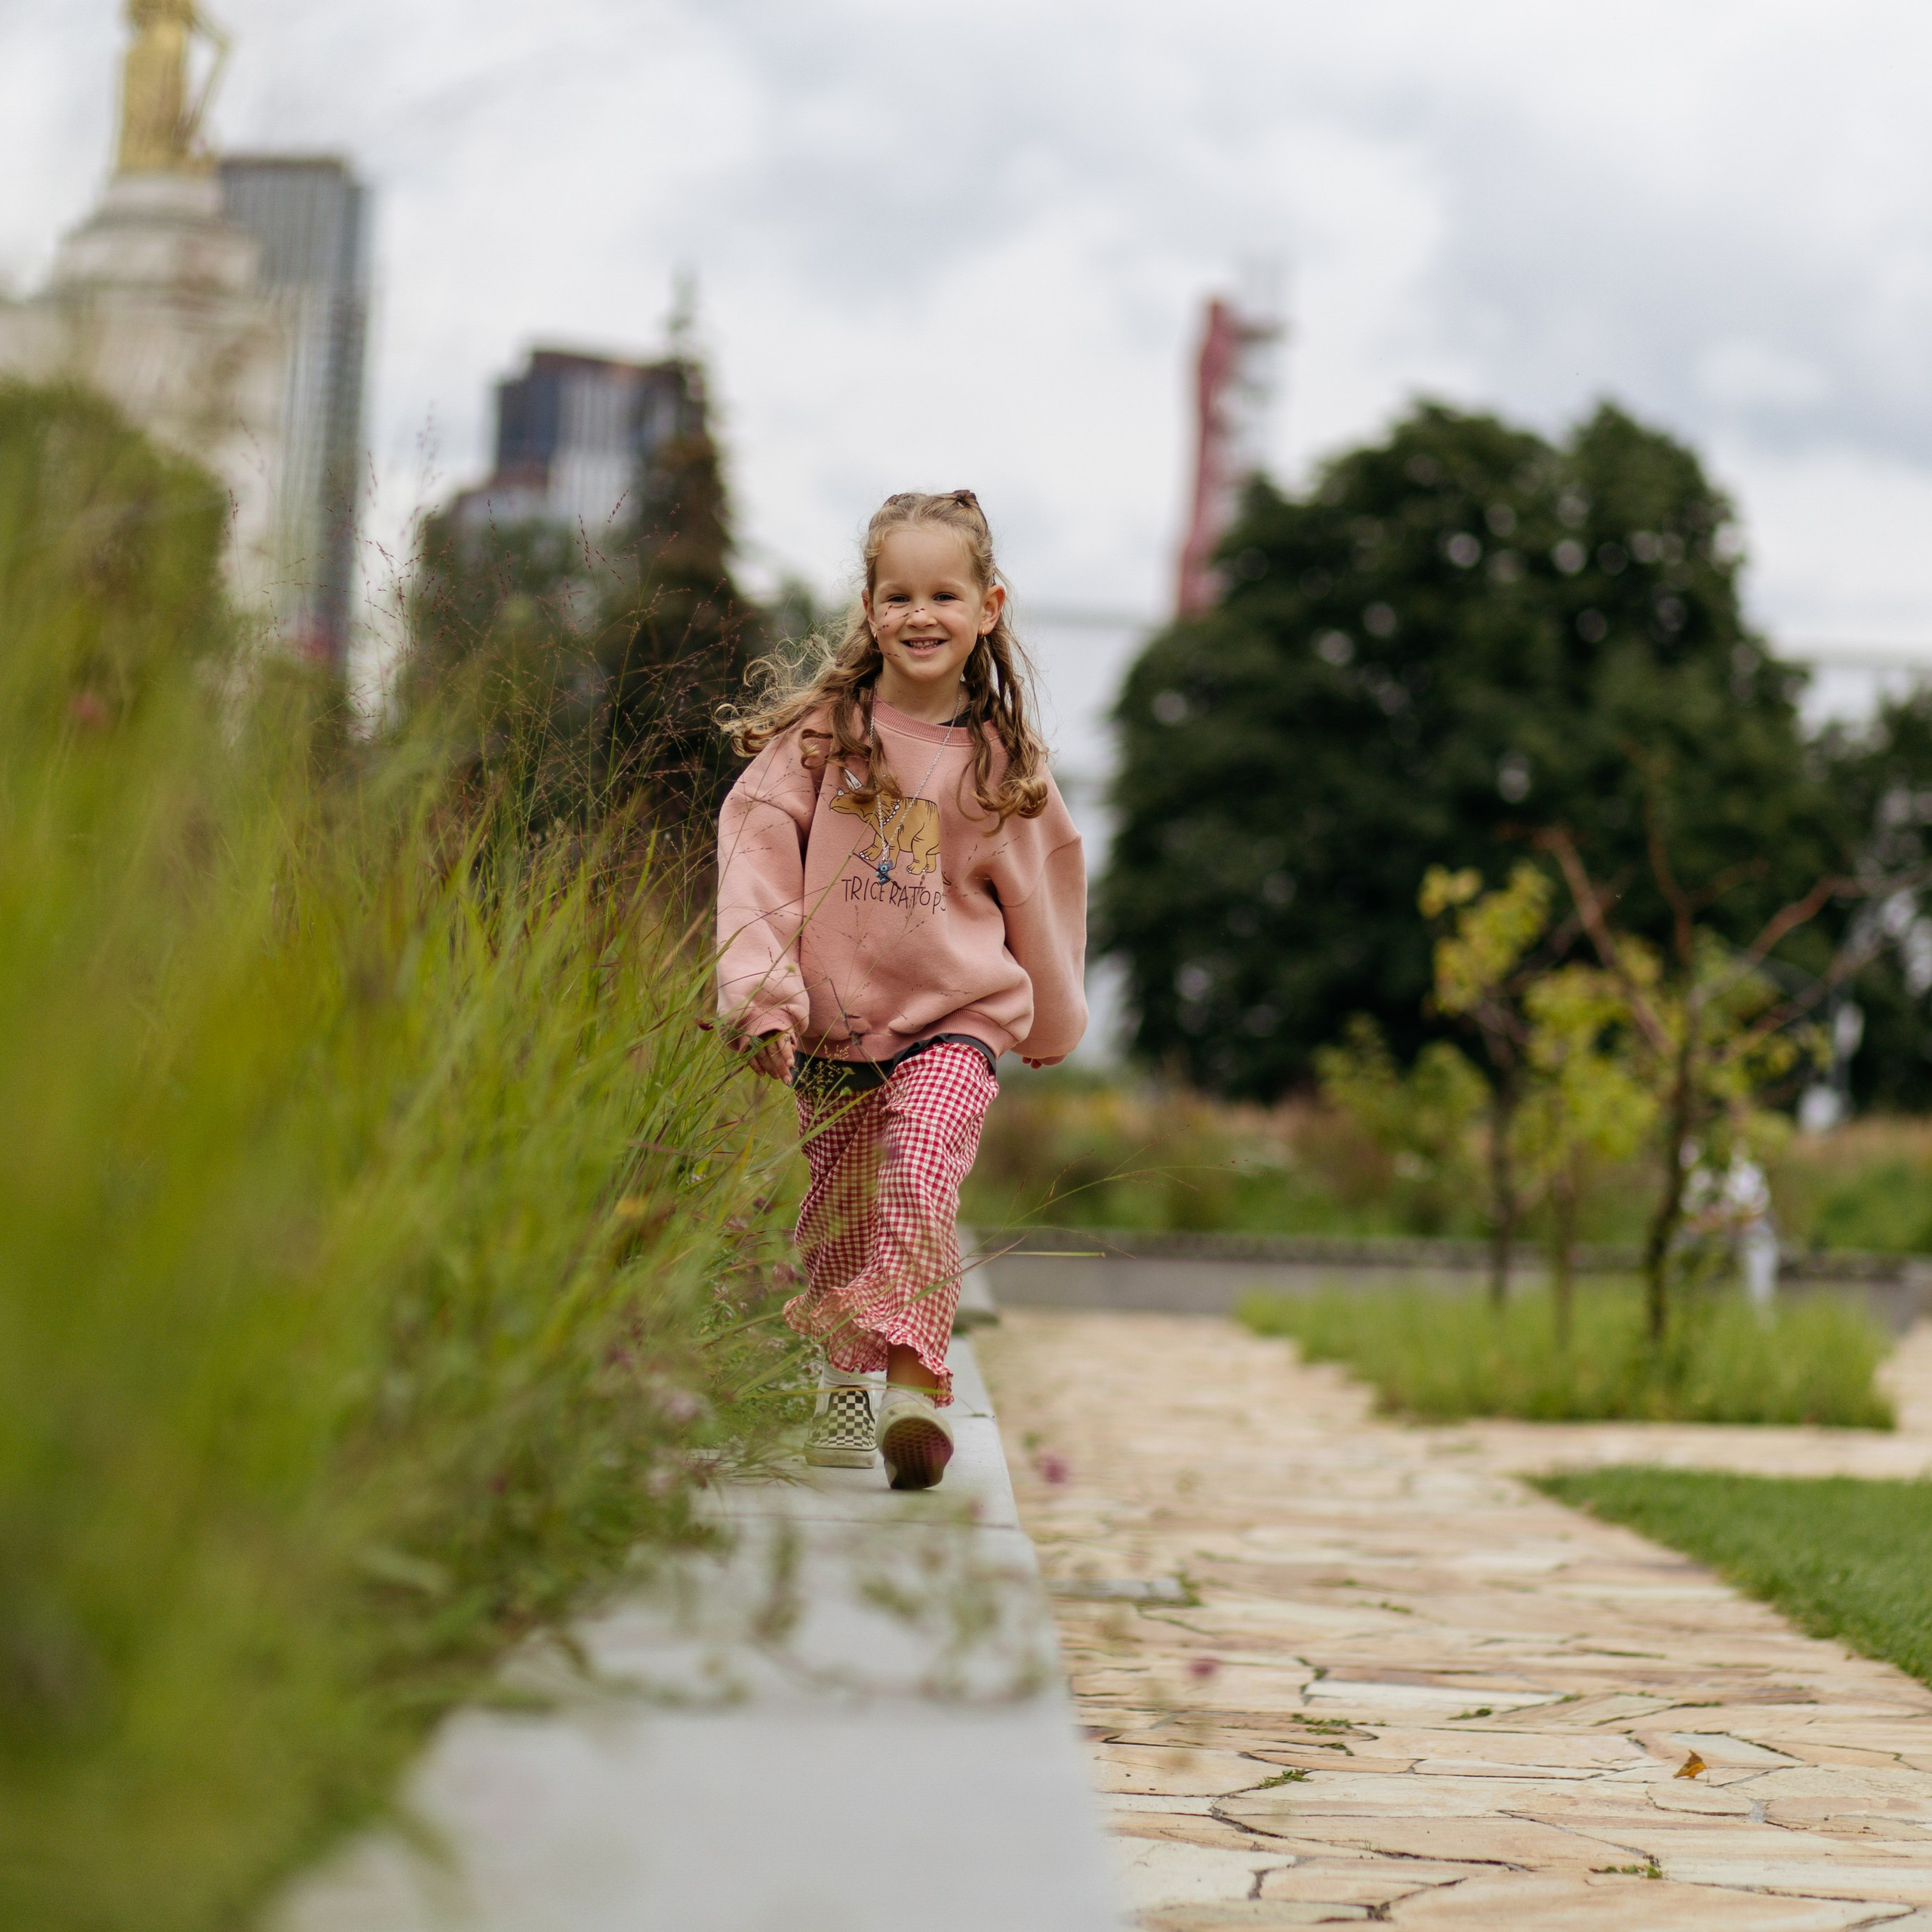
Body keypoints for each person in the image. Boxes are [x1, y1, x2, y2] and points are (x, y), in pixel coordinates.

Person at [715, 490, 1087, 1490]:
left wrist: (1051, 1020)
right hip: (835, 1029)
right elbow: (753, 868)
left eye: (945, 595)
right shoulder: (821, 742)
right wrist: (762, 998)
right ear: (870, 609)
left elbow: (1044, 899)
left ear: (988, 607)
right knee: (836, 1218)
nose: (922, 615)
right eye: (899, 594)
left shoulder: (1005, 769)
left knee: (922, 1165)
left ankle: (921, 1384)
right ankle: (846, 1401)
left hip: (955, 1021)